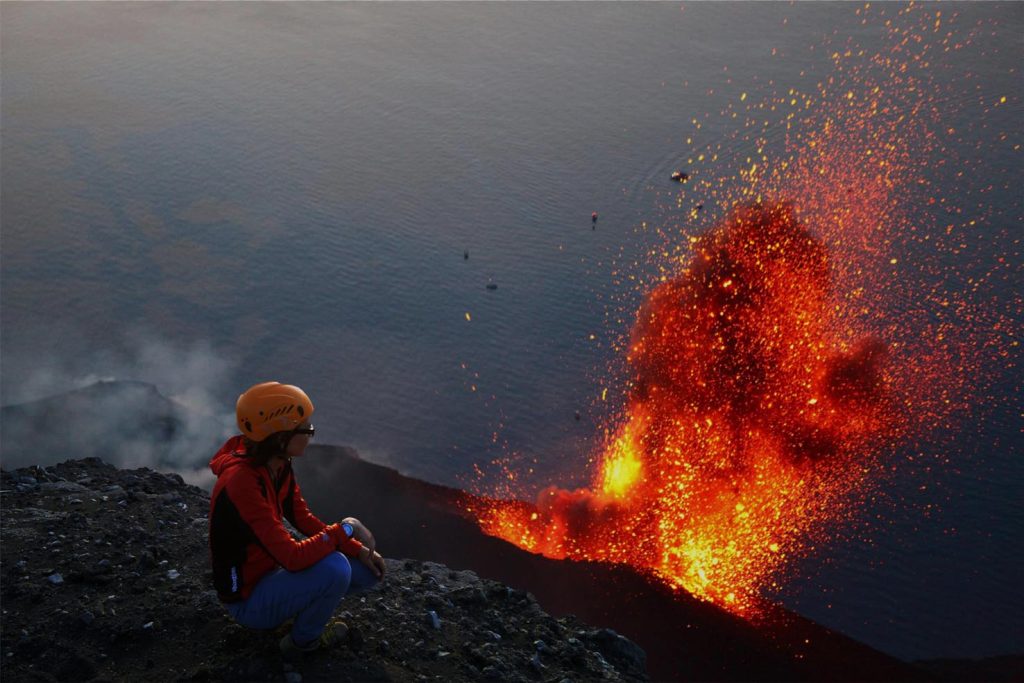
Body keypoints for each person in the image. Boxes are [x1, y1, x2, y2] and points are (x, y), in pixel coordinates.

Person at [208, 381, 386, 657]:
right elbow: (292, 557)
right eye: (305, 428)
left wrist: (357, 549)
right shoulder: (241, 484)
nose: (311, 434)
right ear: (280, 436)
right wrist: (347, 528)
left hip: (270, 576)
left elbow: (303, 519)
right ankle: (302, 643)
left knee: (365, 571)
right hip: (248, 601)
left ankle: (296, 607)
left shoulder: (277, 466)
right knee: (336, 568)